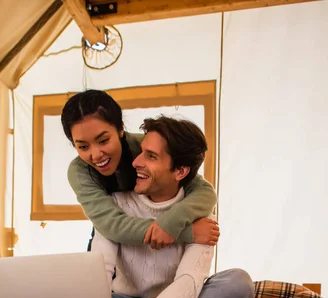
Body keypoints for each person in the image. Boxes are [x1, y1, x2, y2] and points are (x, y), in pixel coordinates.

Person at [87, 115, 255, 298]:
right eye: (141, 152)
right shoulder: (116, 202)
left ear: (180, 172)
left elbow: (189, 281)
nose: (136, 162)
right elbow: (102, 268)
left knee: (238, 285)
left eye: (151, 156)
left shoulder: (199, 211)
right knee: (72, 297)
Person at [61, 89, 219, 250]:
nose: (96, 155)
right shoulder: (79, 172)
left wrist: (172, 222)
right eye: (83, 146)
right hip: (111, 241)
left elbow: (204, 191)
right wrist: (185, 233)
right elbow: (113, 226)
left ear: (121, 129)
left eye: (103, 140)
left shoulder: (144, 148)